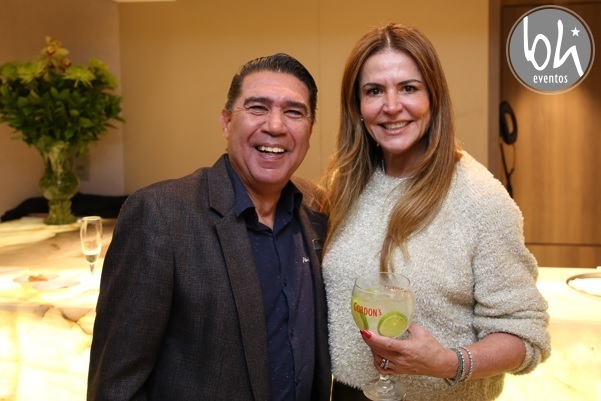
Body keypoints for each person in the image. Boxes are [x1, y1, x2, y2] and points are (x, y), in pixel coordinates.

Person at [320, 23, 551, 401]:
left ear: (434, 97)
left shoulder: (481, 200)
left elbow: (525, 336)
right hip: (350, 394)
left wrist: (447, 362)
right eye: (374, 91)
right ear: (357, 106)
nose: (391, 106)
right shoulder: (344, 186)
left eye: (409, 88)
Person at [87, 53, 332, 401]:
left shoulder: (315, 211)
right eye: (258, 108)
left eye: (294, 112)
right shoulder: (160, 215)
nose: (276, 126)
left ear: (309, 131)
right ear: (226, 122)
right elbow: (116, 386)